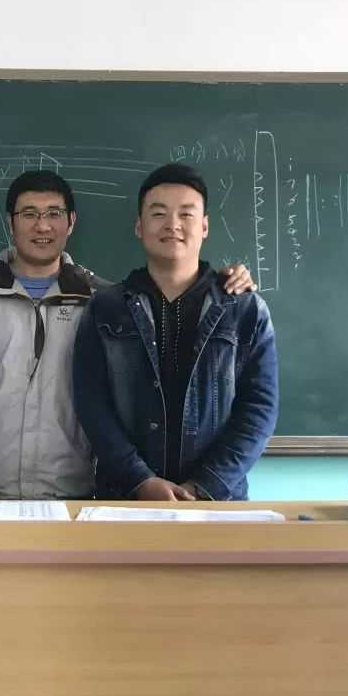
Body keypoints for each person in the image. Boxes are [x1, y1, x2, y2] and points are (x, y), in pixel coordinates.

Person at [0, 169, 256, 499]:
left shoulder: (107, 302)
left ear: (71, 222)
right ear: (10, 222)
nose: (42, 226)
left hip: (74, 492)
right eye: (29, 214)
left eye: (53, 214)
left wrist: (224, 280)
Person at [72, 163, 278, 501]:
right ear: (139, 226)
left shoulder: (244, 309)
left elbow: (259, 410)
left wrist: (205, 485)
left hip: (218, 503)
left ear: (205, 226)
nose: (173, 224)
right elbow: (92, 405)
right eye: (158, 213)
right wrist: (141, 481)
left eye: (186, 214)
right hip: (125, 500)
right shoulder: (105, 308)